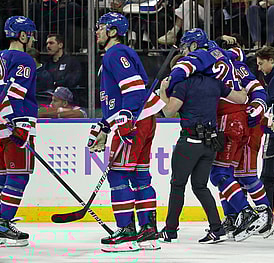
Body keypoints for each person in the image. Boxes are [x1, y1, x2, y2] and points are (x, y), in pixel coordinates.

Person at [90, 12, 163, 252]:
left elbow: (132, 87)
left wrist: (126, 119)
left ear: (112, 31)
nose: (97, 31)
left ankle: (127, 232)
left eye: (100, 27)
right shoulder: (113, 55)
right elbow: (114, 98)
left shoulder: (116, 53)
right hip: (141, 119)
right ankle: (148, 231)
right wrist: (104, 125)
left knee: (118, 174)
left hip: (134, 120)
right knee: (139, 175)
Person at [157, 63, 248, 244]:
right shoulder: (215, 83)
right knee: (200, 186)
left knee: (177, 185)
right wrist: (246, 86)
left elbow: (168, 112)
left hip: (190, 142)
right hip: (210, 144)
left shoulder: (184, 85)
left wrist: (163, 91)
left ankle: (170, 230)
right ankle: (216, 228)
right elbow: (240, 99)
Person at [215, 34, 274, 239]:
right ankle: (233, 217)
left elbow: (260, 93)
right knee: (228, 175)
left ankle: (265, 215)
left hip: (248, 127)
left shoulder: (236, 66)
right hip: (236, 125)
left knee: (244, 174)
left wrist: (255, 109)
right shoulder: (232, 65)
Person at [0, 16, 37, 247]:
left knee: (3, 176)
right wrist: (20, 124)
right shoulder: (24, 58)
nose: (32, 39)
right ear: (22, 36)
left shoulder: (2, 57)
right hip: (14, 126)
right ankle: (3, 224)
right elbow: (15, 92)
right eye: (30, 35)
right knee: (18, 175)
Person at [255, 46, 274, 211]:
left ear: (271, 60)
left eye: (261, 64)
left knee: (267, 176)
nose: (259, 68)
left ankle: (266, 216)